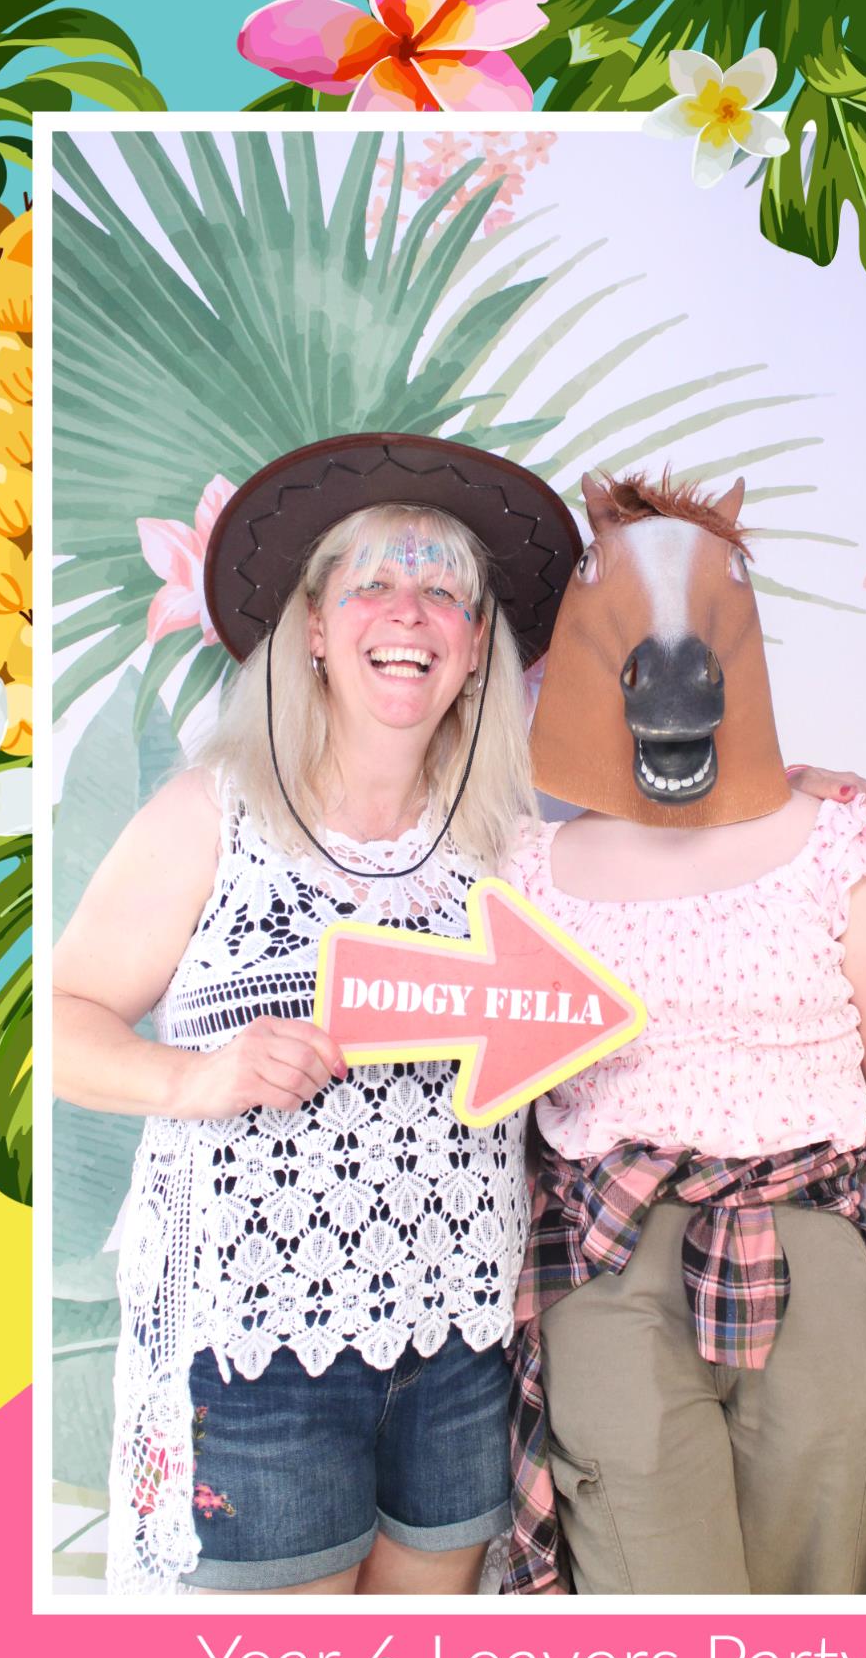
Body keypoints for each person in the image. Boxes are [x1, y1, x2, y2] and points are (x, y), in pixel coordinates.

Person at [52, 434, 582, 1596]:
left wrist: (804, 791)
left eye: (447, 589)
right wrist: (195, 1078)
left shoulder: (515, 846)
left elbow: (665, 876)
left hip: (459, 1340)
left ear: (478, 642)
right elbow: (65, 1019)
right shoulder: (217, 812)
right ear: (312, 627)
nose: (412, 611)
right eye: (375, 582)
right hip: (254, 1343)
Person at [502, 470, 866, 1596]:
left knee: (813, 1590)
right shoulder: (528, 873)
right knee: (649, 1591)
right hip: (610, 1265)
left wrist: (794, 1207)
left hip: (807, 1250)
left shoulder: (833, 848)